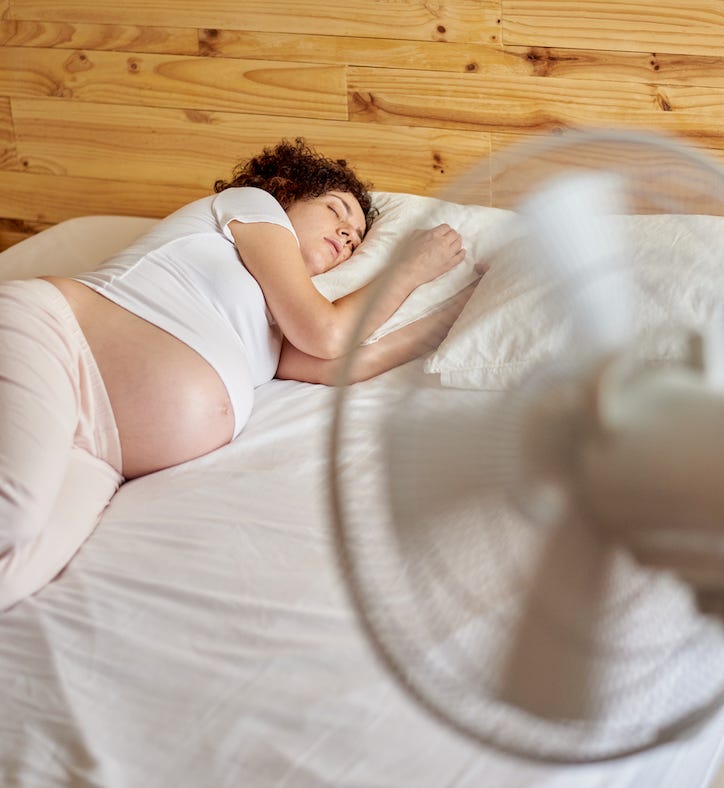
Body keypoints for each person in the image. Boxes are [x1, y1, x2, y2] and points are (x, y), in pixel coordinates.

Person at [0, 138, 478, 610]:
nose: (347, 237)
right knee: (15, 515)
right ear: (288, 190)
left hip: (106, 452)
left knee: (15, 573)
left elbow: (337, 363)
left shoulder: (279, 313)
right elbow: (327, 333)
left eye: (355, 239)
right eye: (336, 212)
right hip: (61, 344)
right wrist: (410, 269)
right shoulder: (253, 208)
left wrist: (453, 317)